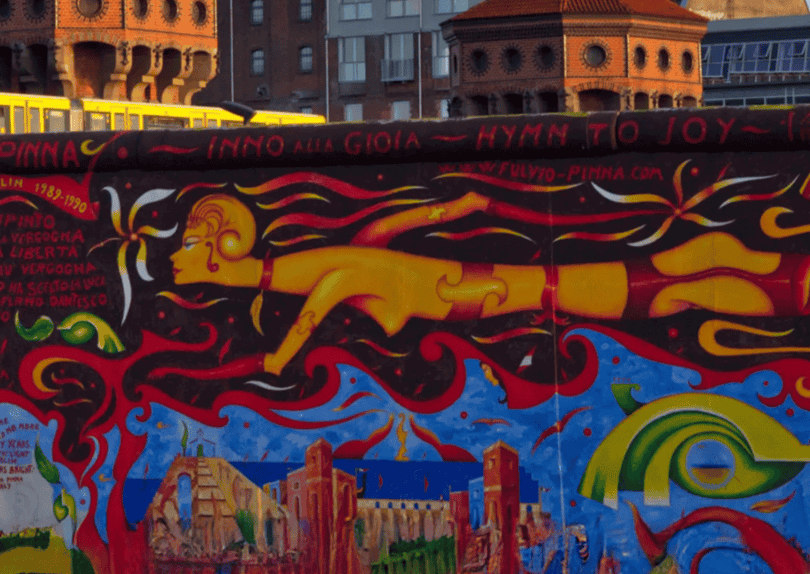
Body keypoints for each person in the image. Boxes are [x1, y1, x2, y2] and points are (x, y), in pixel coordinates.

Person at [169, 192, 810, 376]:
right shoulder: (312, 263)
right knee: (597, 288)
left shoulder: (314, 270)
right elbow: (378, 236)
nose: (178, 257)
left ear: (223, 252)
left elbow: (337, 283)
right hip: (469, 287)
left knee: (577, 291)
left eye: (191, 245)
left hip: (477, 289)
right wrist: (451, 212)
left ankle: (719, 269)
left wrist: (284, 354)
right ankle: (727, 267)